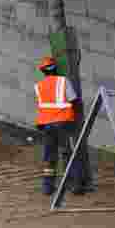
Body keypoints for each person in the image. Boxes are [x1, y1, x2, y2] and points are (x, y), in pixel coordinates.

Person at [34, 55, 86, 195]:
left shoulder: (39, 86)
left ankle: (48, 187)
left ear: (43, 71)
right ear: (55, 69)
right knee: (68, 153)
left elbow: (42, 107)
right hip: (63, 123)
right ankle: (75, 185)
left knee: (49, 156)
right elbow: (74, 101)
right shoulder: (63, 82)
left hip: (47, 125)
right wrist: (77, 117)